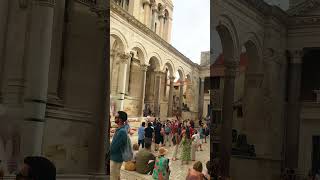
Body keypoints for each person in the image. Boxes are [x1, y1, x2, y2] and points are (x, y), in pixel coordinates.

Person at [110, 111, 129, 180]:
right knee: (116, 176)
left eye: (116, 117)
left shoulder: (122, 132)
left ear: (120, 119)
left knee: (113, 177)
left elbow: (114, 147)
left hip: (116, 158)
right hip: (116, 157)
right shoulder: (120, 130)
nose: (115, 118)